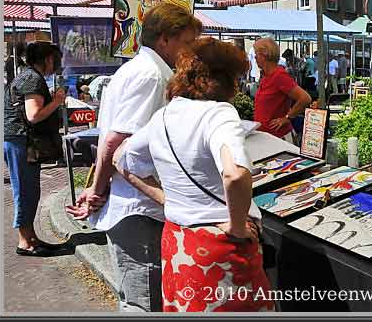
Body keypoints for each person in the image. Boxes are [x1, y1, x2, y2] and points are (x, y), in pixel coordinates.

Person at [112, 38, 274, 312]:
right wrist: (235, 225)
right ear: (225, 78)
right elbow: (234, 175)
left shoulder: (163, 116)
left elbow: (121, 159)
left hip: (178, 242)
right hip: (221, 248)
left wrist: (164, 198)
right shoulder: (219, 114)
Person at [65, 3, 202, 312]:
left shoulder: (139, 69)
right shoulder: (152, 76)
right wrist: (98, 189)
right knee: (144, 301)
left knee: (141, 296)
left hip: (136, 204)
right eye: (187, 42)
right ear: (165, 39)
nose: (191, 51)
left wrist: (95, 187)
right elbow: (117, 143)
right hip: (139, 208)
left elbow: (111, 141)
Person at [4, 41, 66, 256]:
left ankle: (31, 236)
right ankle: (25, 242)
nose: (56, 65)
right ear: (48, 59)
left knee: (30, 189)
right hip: (20, 140)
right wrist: (57, 100)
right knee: (24, 189)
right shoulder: (31, 78)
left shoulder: (27, 75)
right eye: (55, 60)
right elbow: (34, 115)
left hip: (20, 140)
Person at [253, 38, 311, 142]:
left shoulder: (279, 76)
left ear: (264, 55)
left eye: (256, 54)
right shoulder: (266, 76)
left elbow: (305, 98)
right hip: (267, 137)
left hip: (279, 138)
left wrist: (287, 117)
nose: (255, 57)